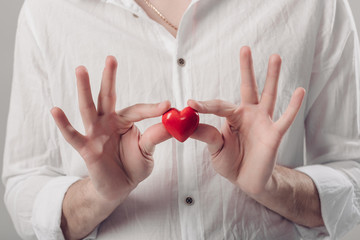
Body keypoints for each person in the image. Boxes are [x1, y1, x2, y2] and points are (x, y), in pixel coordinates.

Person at [2, 0, 360, 239]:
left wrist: (275, 186)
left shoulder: (315, 5)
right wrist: (96, 196)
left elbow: (353, 173)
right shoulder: (49, 10)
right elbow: (24, 183)